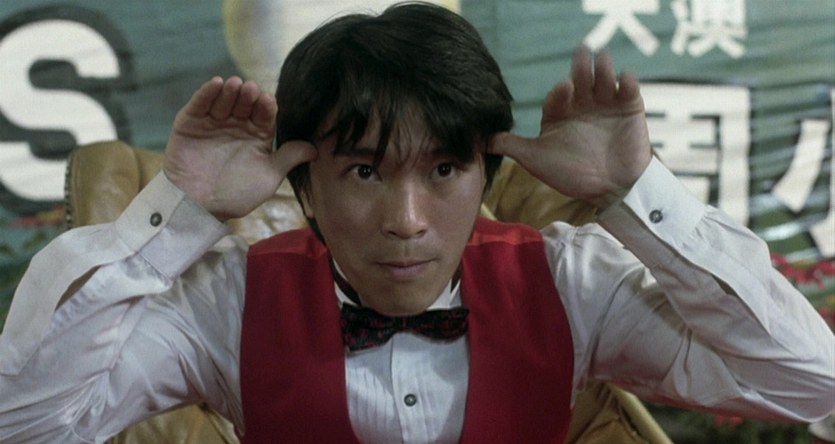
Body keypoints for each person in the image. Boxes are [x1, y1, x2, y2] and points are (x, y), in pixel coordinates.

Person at [1, 2, 833, 443]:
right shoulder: (227, 299)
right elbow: (24, 425)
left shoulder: (573, 281)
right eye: (364, 172)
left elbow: (807, 383)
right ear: (305, 185)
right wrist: (181, 215)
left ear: (485, 173)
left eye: (442, 171)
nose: (405, 222)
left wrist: (636, 196)